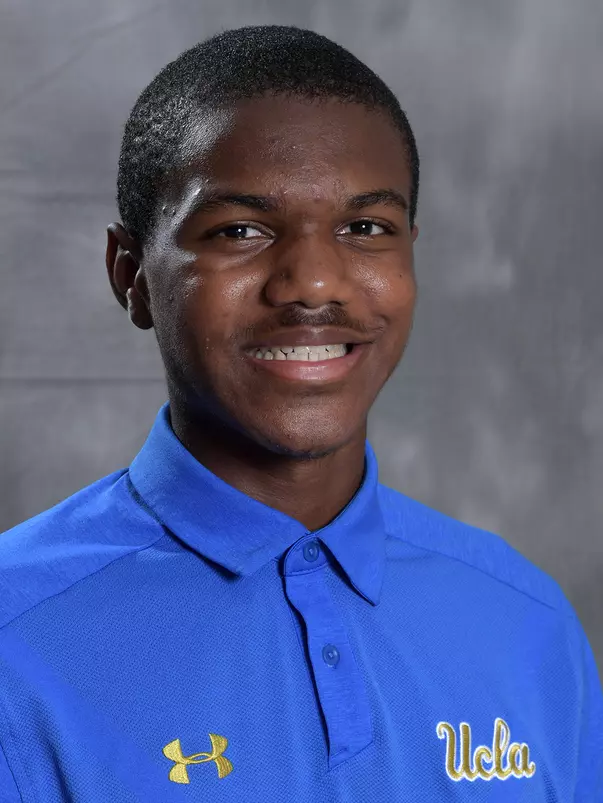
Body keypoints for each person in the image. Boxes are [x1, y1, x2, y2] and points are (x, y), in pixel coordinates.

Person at [0, 24, 601, 803]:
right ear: (132, 275)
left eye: (365, 229)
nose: (314, 284)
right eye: (239, 231)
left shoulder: (524, 622)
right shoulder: (19, 641)